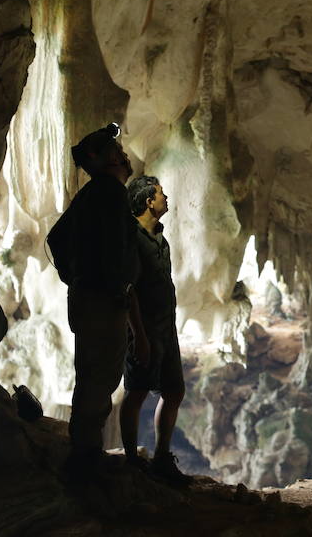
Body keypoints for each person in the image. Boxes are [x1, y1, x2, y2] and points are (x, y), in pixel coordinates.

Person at [49, 123, 150, 482]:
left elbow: (56, 238)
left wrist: (76, 277)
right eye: (118, 152)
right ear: (109, 161)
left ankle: (85, 451)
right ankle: (84, 459)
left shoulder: (94, 193)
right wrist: (107, 285)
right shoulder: (109, 192)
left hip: (91, 296)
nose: (124, 155)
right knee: (99, 376)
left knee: (94, 374)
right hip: (103, 301)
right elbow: (116, 253)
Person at [119, 175, 191, 486]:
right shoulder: (131, 240)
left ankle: (162, 457)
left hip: (165, 328)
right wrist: (139, 336)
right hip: (143, 330)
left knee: (174, 391)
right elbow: (129, 290)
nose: (166, 198)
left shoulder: (161, 240)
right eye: (161, 194)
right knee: (136, 391)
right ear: (149, 201)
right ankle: (131, 459)